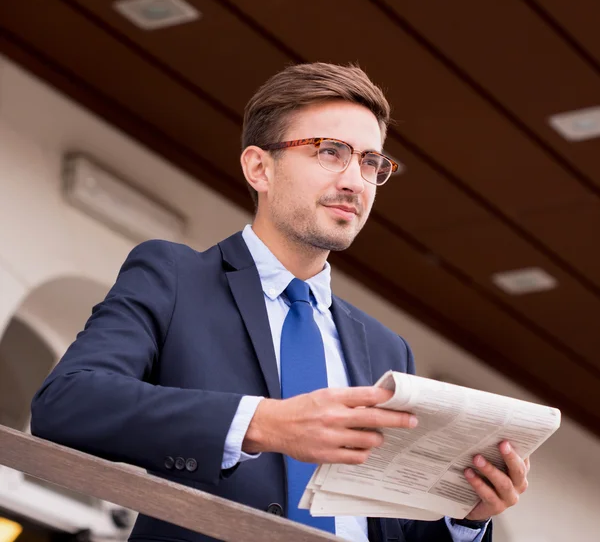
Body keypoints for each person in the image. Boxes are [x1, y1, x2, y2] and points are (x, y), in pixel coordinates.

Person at [31, 63, 529, 542]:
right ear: (259, 168)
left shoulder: (387, 350)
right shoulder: (175, 277)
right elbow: (67, 403)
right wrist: (260, 423)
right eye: (331, 152)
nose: (355, 181)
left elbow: (390, 525)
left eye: (370, 161)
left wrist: (465, 516)